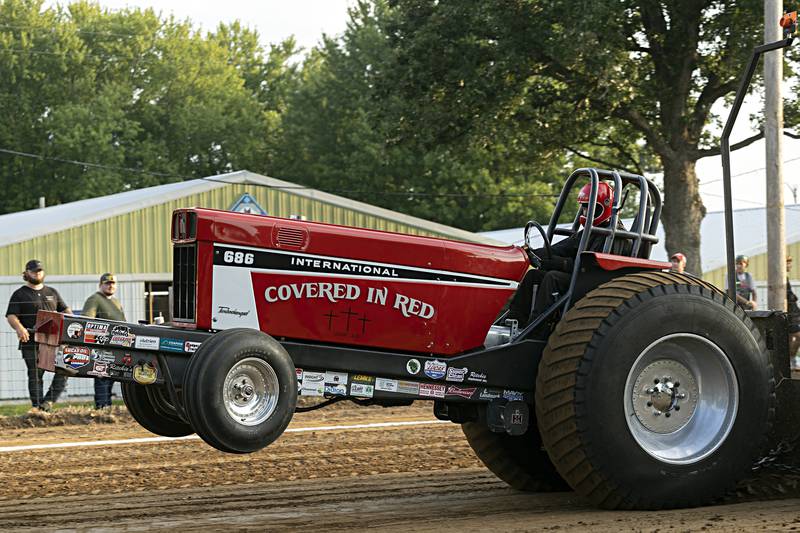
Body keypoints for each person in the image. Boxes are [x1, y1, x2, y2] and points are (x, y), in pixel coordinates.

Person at [508, 181, 628, 327]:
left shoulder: (617, 237)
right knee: (534, 275)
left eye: (589, 208)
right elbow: (561, 248)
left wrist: (560, 264)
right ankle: (514, 321)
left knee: (553, 277)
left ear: (604, 207)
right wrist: (530, 253)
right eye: (584, 208)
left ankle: (537, 329)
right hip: (579, 276)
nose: (585, 213)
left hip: (595, 284)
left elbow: (595, 268)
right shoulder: (589, 232)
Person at [5, 259, 72, 413]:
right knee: (35, 374)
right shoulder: (20, 293)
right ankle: (37, 409)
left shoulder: (52, 292)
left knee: (65, 369)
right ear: (26, 273)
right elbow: (11, 315)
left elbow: (66, 311)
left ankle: (47, 403)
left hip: (53, 341)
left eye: (40, 271)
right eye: (34, 271)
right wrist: (19, 328)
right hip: (31, 342)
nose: (37, 273)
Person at [82, 273, 126, 409]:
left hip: (117, 346)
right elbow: (87, 321)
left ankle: (108, 407)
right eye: (107, 283)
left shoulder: (116, 301)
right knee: (102, 377)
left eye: (113, 283)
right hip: (102, 346)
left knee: (112, 376)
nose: (110, 286)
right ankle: (101, 407)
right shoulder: (94, 299)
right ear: (100, 285)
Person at [786, 256, 800, 360]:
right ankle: (792, 359)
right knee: (797, 337)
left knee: (790, 339)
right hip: (789, 315)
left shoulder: (786, 279)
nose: (790, 265)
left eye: (790, 263)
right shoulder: (781, 279)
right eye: (787, 263)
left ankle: (791, 360)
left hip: (793, 314)